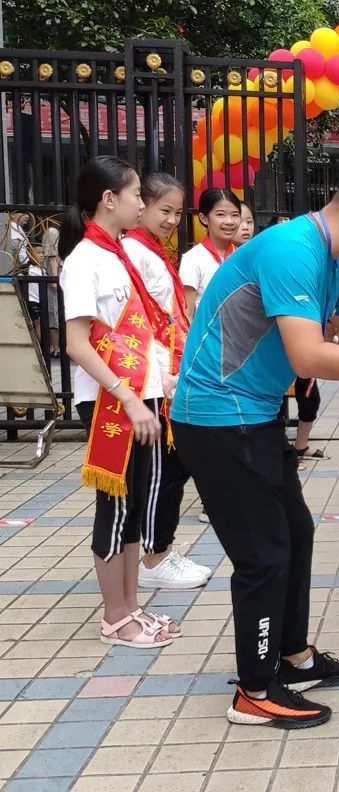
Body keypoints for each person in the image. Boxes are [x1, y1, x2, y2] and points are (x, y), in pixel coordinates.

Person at [171, 153, 339, 728]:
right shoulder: (292, 250)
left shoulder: (325, 258)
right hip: (220, 418)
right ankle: (253, 690)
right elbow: (309, 355)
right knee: (263, 554)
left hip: (254, 414)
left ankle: (292, 657)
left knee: (295, 532)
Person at [59, 155, 180, 649]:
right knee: (114, 507)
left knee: (133, 509)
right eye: (134, 194)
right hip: (115, 402)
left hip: (142, 397)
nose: (139, 202)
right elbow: (77, 342)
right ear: (110, 199)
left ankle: (132, 607)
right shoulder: (83, 260)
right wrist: (128, 397)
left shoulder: (119, 255)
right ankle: (114, 616)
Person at [121, 172, 212, 590]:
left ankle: (160, 550)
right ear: (142, 206)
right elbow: (138, 324)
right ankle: (155, 558)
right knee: (164, 470)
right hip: (152, 376)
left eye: (178, 212)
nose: (173, 219)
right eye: (164, 210)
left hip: (168, 372)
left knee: (171, 467)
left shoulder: (151, 251)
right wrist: (161, 373)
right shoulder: (134, 252)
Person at [179, 188, 240, 314]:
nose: (229, 221)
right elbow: (187, 313)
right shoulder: (192, 259)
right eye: (220, 214)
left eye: (235, 215)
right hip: (205, 331)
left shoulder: (243, 256)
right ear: (204, 218)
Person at [42, 217, 62, 357]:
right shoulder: (52, 232)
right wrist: (54, 277)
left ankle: (56, 346)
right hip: (54, 277)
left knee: (56, 312)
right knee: (55, 312)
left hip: (57, 276)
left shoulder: (54, 231)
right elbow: (52, 256)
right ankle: (55, 347)